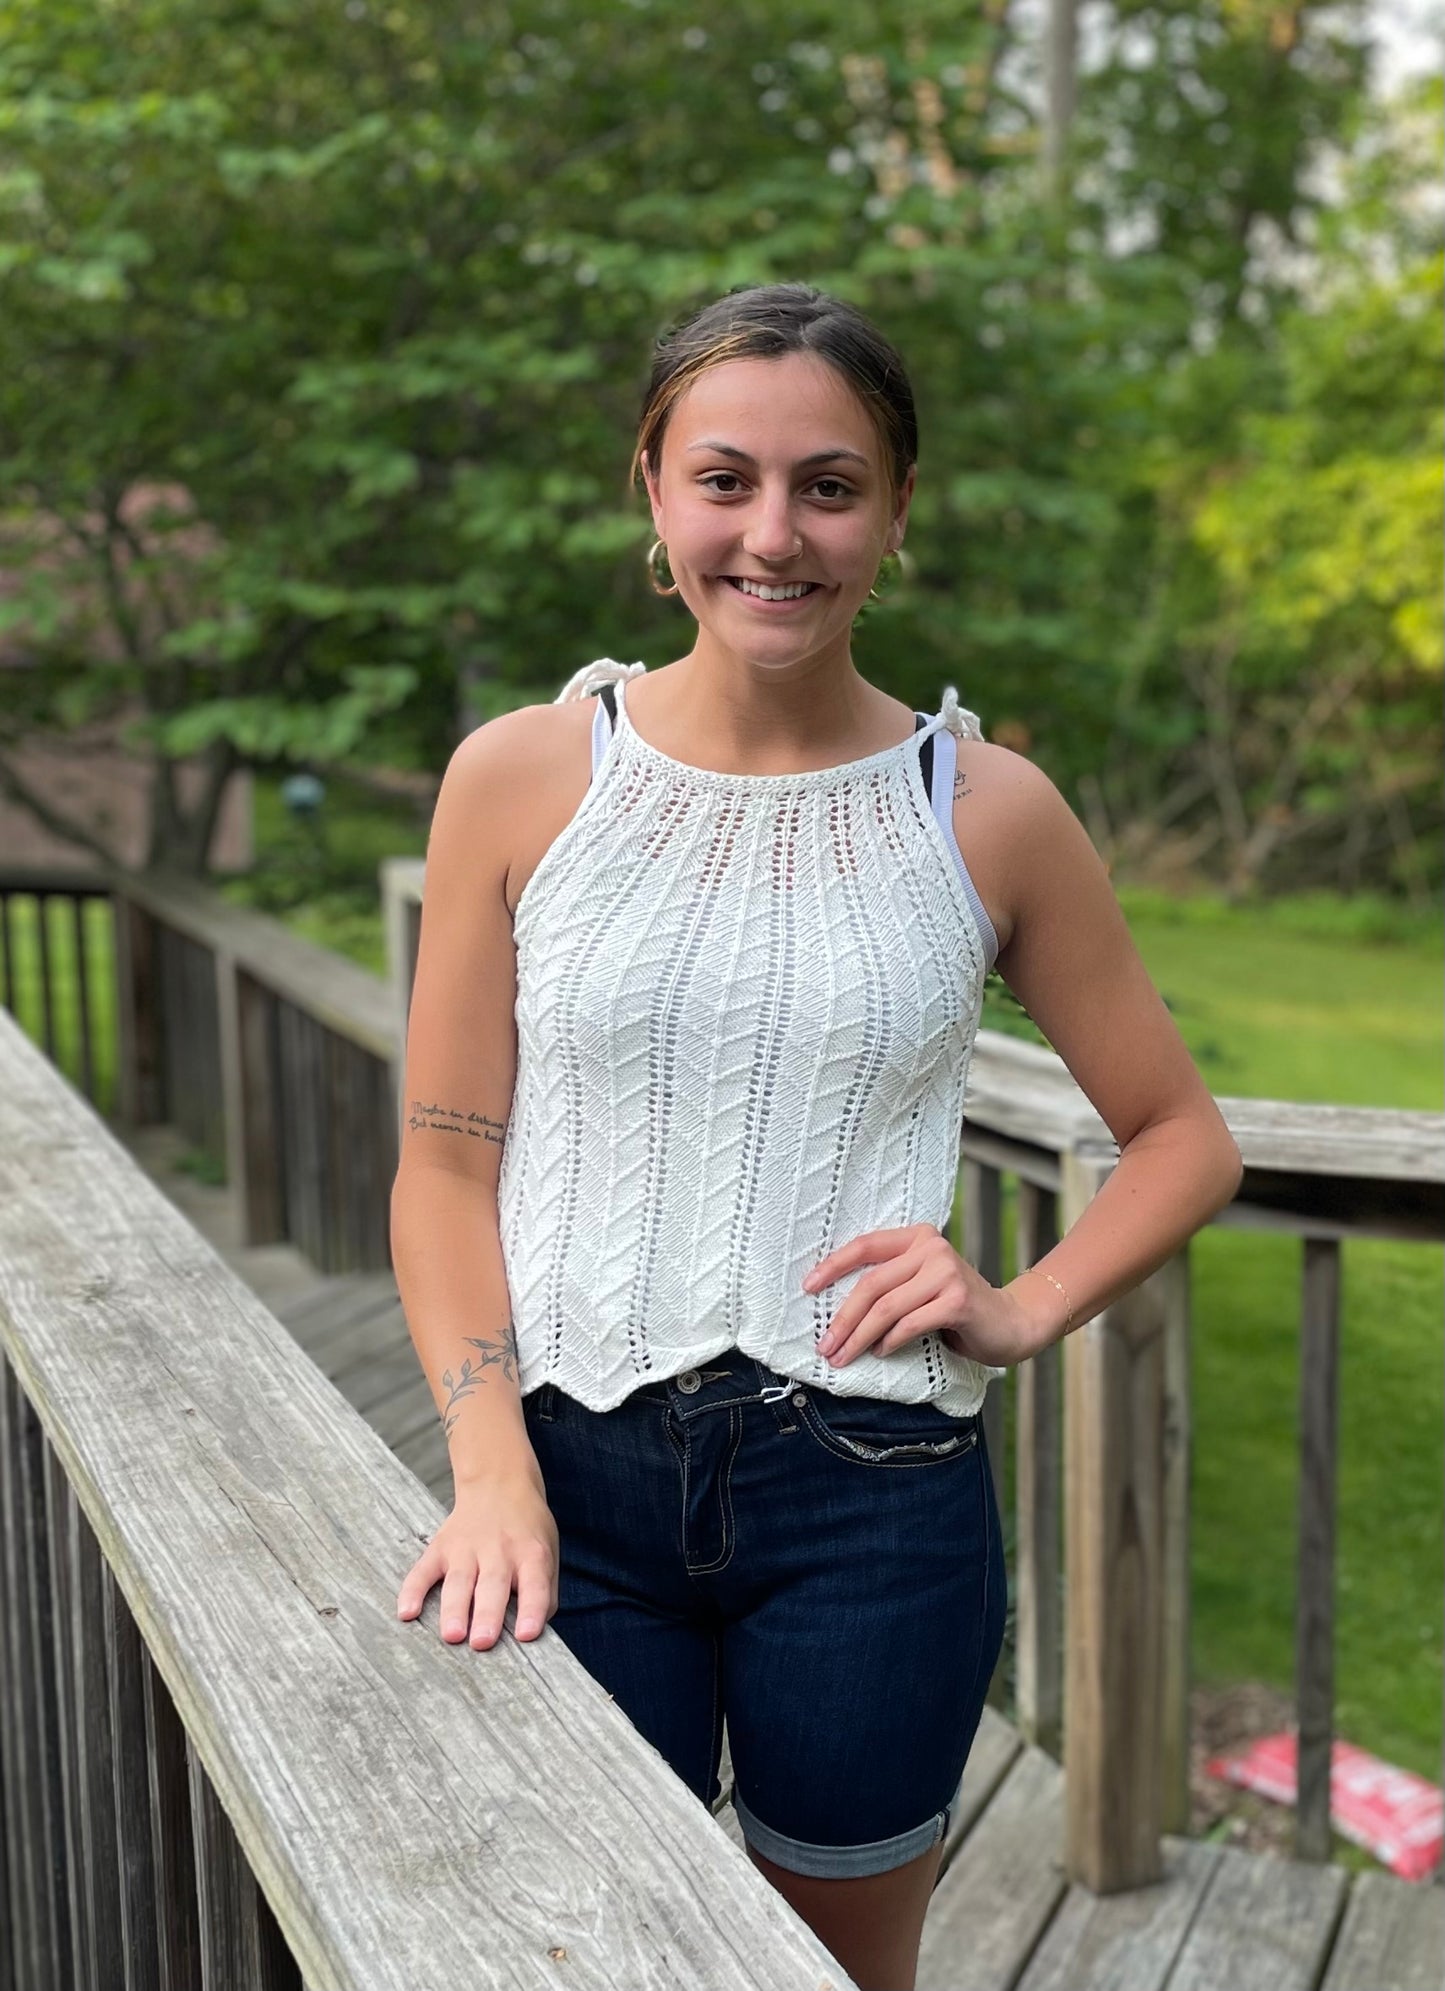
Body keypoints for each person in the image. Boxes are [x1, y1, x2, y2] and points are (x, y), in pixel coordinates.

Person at [391, 282, 1243, 1991]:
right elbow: (444, 1167)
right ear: (652, 492)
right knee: (586, 1955)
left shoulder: (983, 810)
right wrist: (491, 1475)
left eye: (829, 487)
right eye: (724, 479)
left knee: (832, 1974)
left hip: (875, 1501)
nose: (773, 534)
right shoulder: (523, 776)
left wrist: (1016, 1306)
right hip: (567, 1482)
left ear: (895, 512)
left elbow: (1179, 1137)